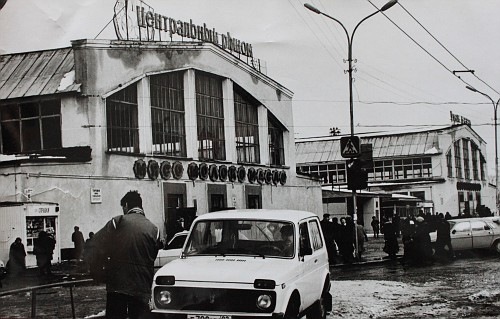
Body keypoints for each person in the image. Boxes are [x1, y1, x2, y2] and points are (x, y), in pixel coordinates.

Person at [89, 190, 161, 319]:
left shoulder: (118, 222)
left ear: (126, 205)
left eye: (123, 207)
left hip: (117, 284)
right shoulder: (154, 229)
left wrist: (97, 271)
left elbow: (95, 244)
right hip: (142, 287)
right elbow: (152, 256)